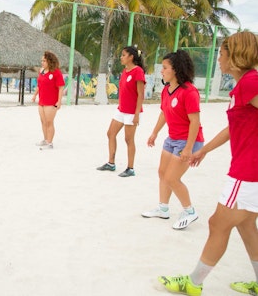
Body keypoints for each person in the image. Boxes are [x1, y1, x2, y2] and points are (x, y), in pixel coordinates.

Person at [158, 32, 258, 295]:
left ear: (234, 55)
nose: (219, 60)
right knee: (246, 225)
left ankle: (193, 283)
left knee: (217, 224)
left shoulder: (251, 82)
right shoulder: (244, 85)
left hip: (248, 172)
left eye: (222, 54)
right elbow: (233, 128)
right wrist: (205, 151)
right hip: (248, 171)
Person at [141, 50, 204, 230]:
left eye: (165, 68)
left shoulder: (189, 91)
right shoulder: (167, 90)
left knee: (172, 178)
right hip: (173, 138)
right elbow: (164, 113)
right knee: (162, 173)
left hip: (188, 141)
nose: (162, 71)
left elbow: (195, 121)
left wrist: (188, 148)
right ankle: (163, 209)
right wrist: (154, 133)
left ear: (176, 69)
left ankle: (190, 211)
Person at [96, 46, 146, 176]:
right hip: (121, 110)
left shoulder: (138, 71)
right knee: (110, 133)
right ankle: (111, 163)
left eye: (124, 55)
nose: (121, 57)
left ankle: (130, 168)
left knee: (129, 140)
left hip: (132, 112)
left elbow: (141, 95)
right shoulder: (125, 71)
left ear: (131, 57)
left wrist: (136, 115)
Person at [31, 50, 65, 150]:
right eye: (42, 60)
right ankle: (46, 140)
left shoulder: (56, 72)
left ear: (50, 61)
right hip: (42, 101)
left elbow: (61, 87)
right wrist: (35, 95)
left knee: (49, 122)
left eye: (44, 61)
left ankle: (50, 143)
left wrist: (59, 101)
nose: (42, 62)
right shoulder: (41, 71)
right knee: (43, 122)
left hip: (51, 102)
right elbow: (39, 85)